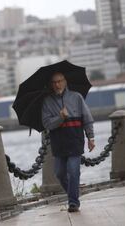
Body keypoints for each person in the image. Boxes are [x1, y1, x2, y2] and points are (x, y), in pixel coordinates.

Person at [41, 72, 95, 212]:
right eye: (54, 82)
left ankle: (73, 202)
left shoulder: (76, 97)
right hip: (58, 142)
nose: (57, 84)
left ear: (65, 81)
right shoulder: (47, 102)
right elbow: (47, 124)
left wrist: (91, 137)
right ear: (51, 84)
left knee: (73, 170)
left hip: (75, 139)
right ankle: (74, 193)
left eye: (60, 81)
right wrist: (60, 118)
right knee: (59, 173)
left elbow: (87, 118)